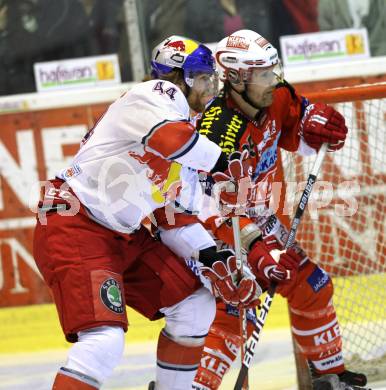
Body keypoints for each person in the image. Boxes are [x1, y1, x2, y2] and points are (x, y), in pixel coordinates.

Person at [33, 35, 261, 390]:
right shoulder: (154, 94)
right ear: (181, 77)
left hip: (121, 233)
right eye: (203, 78)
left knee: (195, 306)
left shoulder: (189, 132)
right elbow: (170, 140)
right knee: (104, 341)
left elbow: (176, 218)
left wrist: (216, 257)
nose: (211, 88)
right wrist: (221, 162)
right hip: (75, 223)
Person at [154, 30, 368, 390]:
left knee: (312, 286)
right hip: (212, 226)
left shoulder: (276, 96)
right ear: (236, 77)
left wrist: (316, 123)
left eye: (274, 70)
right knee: (236, 311)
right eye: (264, 74)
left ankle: (332, 379)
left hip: (257, 218)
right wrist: (256, 250)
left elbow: (296, 123)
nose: (274, 81)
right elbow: (210, 208)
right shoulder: (216, 131)